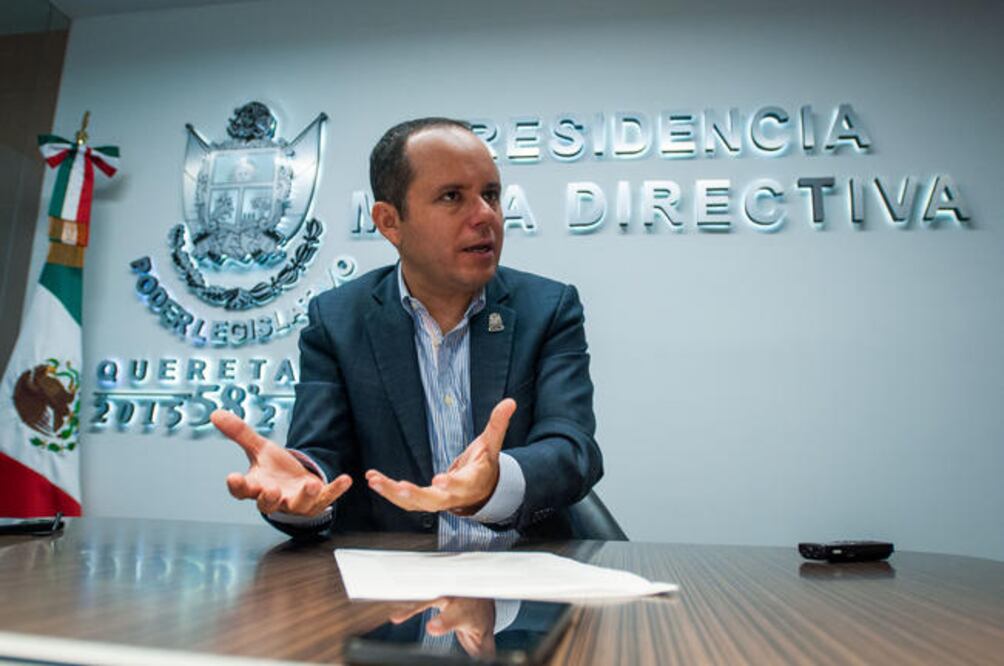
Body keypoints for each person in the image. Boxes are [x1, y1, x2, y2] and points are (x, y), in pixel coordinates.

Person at [211, 117, 602, 540]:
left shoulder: (547, 308)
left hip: (527, 577)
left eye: (491, 194)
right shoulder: (338, 320)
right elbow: (320, 456)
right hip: (392, 585)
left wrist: (494, 482)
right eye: (452, 197)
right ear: (389, 222)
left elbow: (572, 449)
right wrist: (303, 489)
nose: (485, 215)